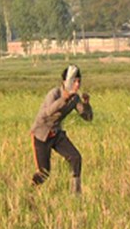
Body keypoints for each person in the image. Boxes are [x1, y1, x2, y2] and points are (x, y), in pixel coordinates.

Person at [30, 64, 92, 193]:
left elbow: (87, 117)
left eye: (79, 81)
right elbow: (48, 112)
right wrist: (64, 98)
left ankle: (76, 192)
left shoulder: (75, 98)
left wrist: (86, 104)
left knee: (75, 158)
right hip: (41, 133)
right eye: (74, 81)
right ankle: (30, 192)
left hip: (56, 133)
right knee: (44, 173)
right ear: (65, 82)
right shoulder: (55, 93)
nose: (77, 84)